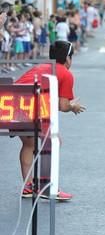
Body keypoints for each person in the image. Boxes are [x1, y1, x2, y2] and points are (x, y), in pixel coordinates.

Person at [16, 41, 87, 201]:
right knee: (54, 142)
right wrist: (73, 107)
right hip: (32, 109)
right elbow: (62, 105)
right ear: (68, 58)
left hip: (13, 106)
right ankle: (48, 187)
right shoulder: (65, 73)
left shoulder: (40, 67)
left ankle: (28, 186)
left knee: (29, 144)